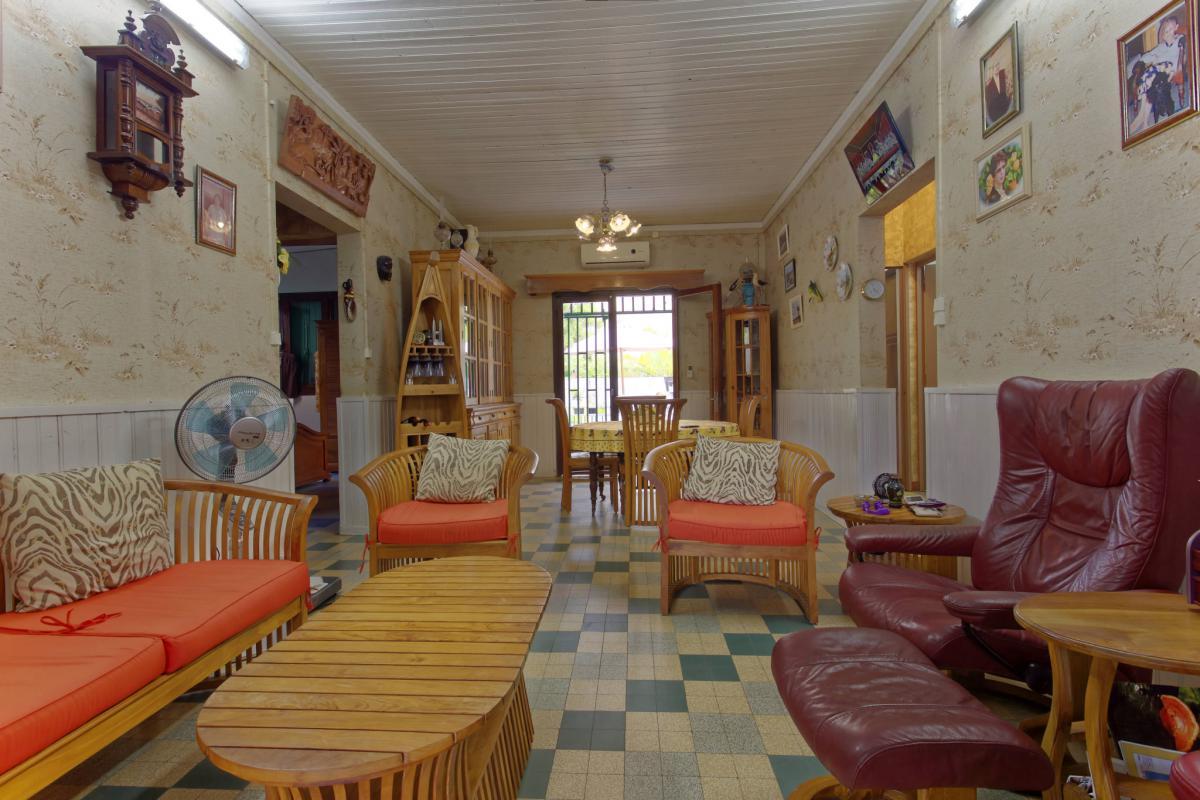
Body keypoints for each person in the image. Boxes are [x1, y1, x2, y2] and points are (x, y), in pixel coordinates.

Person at [984, 58, 1013, 125]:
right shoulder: (989, 86)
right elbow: (991, 106)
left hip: (1008, 105)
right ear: (991, 69)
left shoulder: (1004, 73)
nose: (996, 68)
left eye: (997, 65)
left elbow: (1011, 87)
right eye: (994, 66)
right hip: (998, 112)